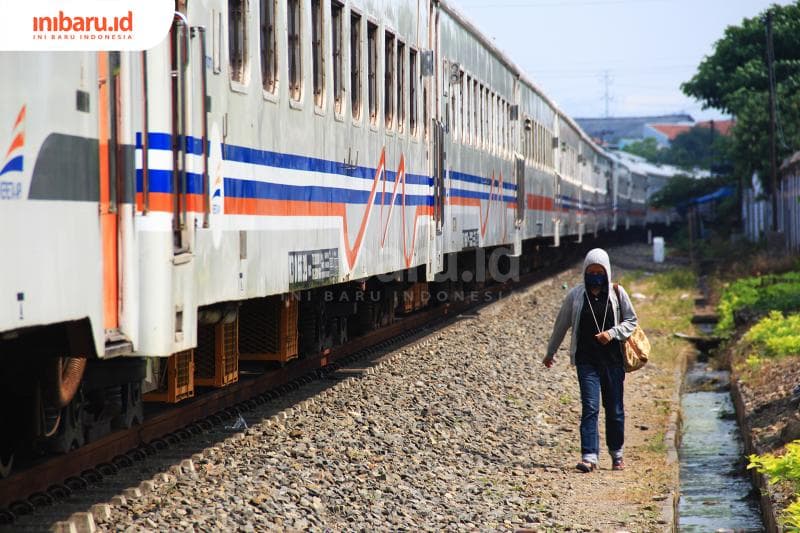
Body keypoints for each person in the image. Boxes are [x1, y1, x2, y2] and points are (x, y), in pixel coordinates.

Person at [542, 248, 638, 472]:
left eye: (599, 271)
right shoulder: (576, 295)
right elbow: (561, 325)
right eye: (591, 271)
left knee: (614, 409)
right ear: (585, 272)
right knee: (590, 407)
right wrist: (550, 352)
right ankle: (589, 456)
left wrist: (612, 333)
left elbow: (632, 321)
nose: (595, 275)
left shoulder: (617, 293)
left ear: (607, 272)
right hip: (587, 362)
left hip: (613, 362)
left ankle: (617, 454)